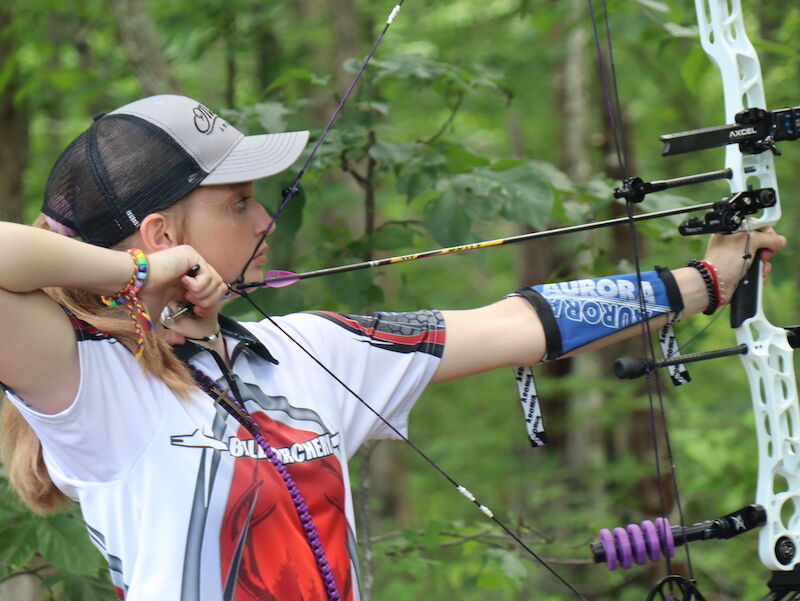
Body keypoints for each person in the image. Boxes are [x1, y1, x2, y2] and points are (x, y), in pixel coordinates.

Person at [0, 94, 785, 601]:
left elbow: (520, 323)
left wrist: (704, 280)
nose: (267, 220)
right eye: (239, 203)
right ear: (165, 235)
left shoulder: (305, 350)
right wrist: (135, 273)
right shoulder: (88, 388)